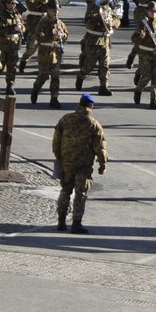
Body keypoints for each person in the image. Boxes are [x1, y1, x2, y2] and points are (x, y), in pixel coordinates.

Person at [52, 94, 106, 232]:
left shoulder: (65, 119)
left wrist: (59, 157)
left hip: (67, 162)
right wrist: (102, 164)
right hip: (84, 164)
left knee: (65, 190)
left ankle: (61, 222)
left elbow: (56, 141)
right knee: (80, 193)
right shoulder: (93, 124)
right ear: (91, 106)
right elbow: (99, 146)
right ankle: (76, 223)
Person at [28, 3, 68, 108]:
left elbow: (66, 34)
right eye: (54, 10)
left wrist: (62, 36)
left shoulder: (60, 23)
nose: (56, 12)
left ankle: (54, 98)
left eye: (57, 10)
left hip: (56, 53)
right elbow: (39, 36)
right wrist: (51, 36)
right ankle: (36, 88)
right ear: (48, 10)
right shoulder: (42, 22)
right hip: (45, 52)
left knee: (55, 76)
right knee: (43, 75)